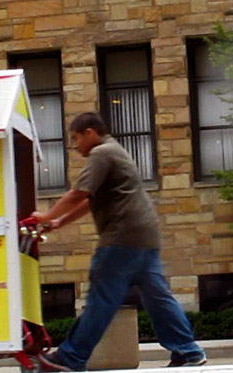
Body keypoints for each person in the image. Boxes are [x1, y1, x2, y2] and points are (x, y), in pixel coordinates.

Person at [31, 112, 206, 371]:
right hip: (145, 236)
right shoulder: (115, 151)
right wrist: (58, 223)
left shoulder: (101, 153)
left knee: (102, 298)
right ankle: (188, 351)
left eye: (76, 138)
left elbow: (79, 193)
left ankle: (71, 357)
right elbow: (91, 200)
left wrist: (45, 215)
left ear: (90, 132)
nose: (75, 145)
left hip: (121, 236)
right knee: (157, 297)